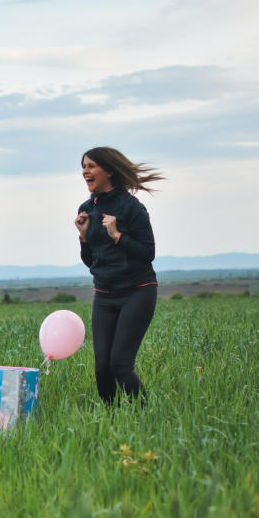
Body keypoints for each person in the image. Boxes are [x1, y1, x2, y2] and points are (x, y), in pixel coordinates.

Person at [73, 147, 163, 406]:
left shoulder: (132, 207)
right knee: (102, 370)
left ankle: (145, 418)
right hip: (104, 295)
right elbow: (91, 261)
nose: (85, 171)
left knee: (120, 365)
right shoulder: (86, 209)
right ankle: (112, 422)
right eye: (84, 166)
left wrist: (117, 235)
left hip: (137, 291)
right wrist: (83, 237)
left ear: (109, 170)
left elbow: (148, 253)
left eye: (91, 166)